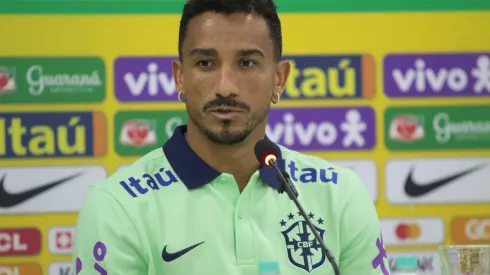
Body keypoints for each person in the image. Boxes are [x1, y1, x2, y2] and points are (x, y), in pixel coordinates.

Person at [72, 0, 390, 274]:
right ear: (180, 77)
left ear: (279, 79)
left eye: (247, 63)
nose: (225, 86)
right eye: (206, 63)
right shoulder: (118, 204)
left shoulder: (340, 196)